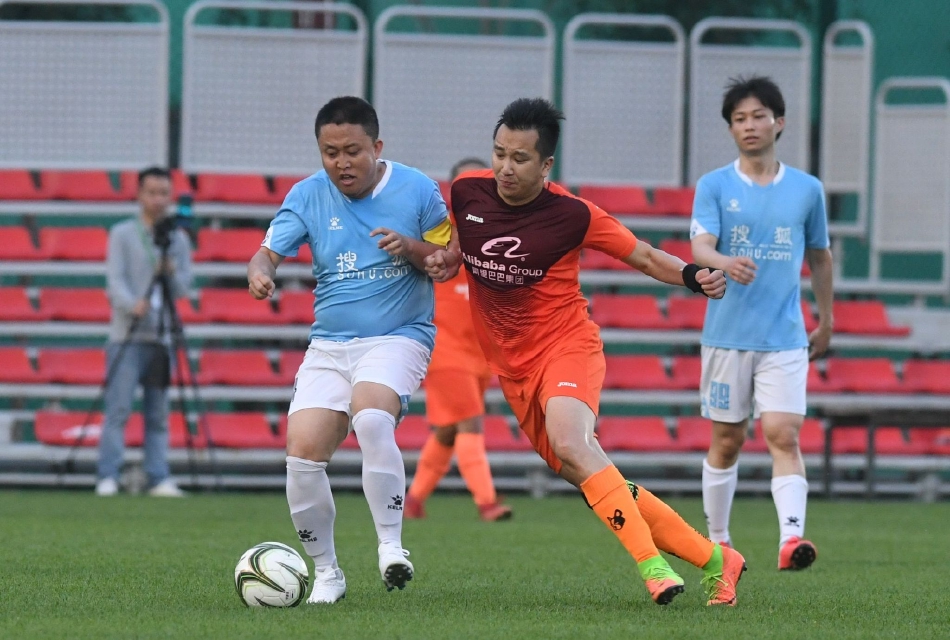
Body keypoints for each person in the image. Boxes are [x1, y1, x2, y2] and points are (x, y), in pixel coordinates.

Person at [425, 98, 745, 607]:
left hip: (566, 346)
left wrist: (692, 275)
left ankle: (652, 568)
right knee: (589, 470)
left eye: (520, 158)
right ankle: (715, 559)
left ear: (546, 164)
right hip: (512, 367)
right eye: (500, 153)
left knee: (573, 444)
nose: (506, 167)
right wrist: (446, 258)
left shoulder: (572, 214)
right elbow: (459, 242)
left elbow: (643, 255)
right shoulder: (466, 192)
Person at [247, 96, 452, 605]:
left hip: (398, 335)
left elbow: (448, 259)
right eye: (330, 152)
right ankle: (327, 574)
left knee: (371, 417)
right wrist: (260, 273)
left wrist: (412, 248)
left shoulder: (418, 189)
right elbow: (266, 253)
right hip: (329, 346)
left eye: (352, 151)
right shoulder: (307, 194)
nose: (341, 163)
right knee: (302, 456)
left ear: (377, 147)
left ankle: (391, 547)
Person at [690, 76, 833, 571]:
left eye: (757, 116)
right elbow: (700, 247)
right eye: (739, 119)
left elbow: (820, 257)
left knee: (783, 433)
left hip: (785, 337)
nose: (749, 125)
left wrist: (826, 320)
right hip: (727, 335)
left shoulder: (807, 190)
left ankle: (791, 540)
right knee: (727, 441)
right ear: (731, 128)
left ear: (779, 122)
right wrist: (725, 262)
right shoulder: (714, 185)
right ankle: (719, 541)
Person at [405, 157, 512, 523]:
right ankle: (487, 503)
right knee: (470, 423)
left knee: (449, 432)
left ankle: (414, 500)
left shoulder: (501, 235)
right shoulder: (437, 233)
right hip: (445, 348)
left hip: (480, 352)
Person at [96, 167, 193, 498]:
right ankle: (108, 475)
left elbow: (183, 288)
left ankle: (158, 476)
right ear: (139, 195)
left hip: (161, 337)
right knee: (118, 410)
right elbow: (114, 280)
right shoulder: (122, 234)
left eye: (164, 193)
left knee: (158, 414)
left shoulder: (178, 239)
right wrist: (130, 304)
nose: (158, 200)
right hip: (127, 334)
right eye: (151, 192)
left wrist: (171, 272)